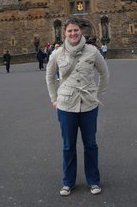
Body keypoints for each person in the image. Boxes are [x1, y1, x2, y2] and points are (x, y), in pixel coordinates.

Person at [46, 18, 109, 196]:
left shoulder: (92, 51)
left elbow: (104, 73)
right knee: (68, 146)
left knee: (90, 144)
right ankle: (68, 182)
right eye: (69, 31)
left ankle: (93, 180)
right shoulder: (57, 54)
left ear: (80, 31)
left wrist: (99, 95)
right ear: (64, 33)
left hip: (89, 104)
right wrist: (54, 99)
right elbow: (50, 77)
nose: (73, 34)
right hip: (66, 105)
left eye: (76, 30)